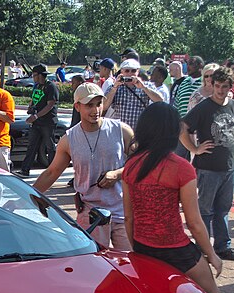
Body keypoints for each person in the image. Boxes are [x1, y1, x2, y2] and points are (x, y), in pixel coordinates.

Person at [122, 102, 222, 293]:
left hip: (143, 247)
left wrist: (138, 249)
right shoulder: (181, 167)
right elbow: (194, 222)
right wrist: (212, 254)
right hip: (176, 250)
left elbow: (128, 218)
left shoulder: (130, 166)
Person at [34, 83, 134, 250]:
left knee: (129, 264)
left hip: (122, 212)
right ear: (77, 106)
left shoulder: (121, 130)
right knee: (95, 264)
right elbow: (52, 172)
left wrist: (117, 174)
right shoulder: (69, 139)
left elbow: (139, 163)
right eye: (89, 105)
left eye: (98, 104)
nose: (95, 110)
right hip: (90, 213)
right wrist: (27, 197)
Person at [180, 67, 234, 261]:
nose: (220, 90)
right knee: (205, 209)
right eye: (217, 86)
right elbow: (183, 128)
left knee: (223, 208)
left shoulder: (232, 105)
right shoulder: (204, 107)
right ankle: (203, 246)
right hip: (208, 167)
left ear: (230, 87)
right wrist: (195, 149)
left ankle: (223, 246)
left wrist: (227, 142)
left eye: (225, 87)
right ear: (211, 85)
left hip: (228, 165)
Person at [17, 64, 59, 177]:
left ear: (41, 75)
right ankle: (25, 170)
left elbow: (50, 105)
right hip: (36, 122)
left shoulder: (51, 86)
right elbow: (33, 100)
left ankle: (53, 172)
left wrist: (36, 116)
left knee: (50, 146)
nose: (33, 77)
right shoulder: (36, 86)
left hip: (48, 121)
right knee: (32, 145)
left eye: (35, 75)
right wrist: (30, 108)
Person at [103, 58, 164, 129]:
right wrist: (114, 87)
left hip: (139, 130)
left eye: (133, 71)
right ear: (121, 71)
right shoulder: (114, 87)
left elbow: (160, 100)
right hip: (120, 130)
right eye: (127, 71)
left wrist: (144, 87)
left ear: (138, 72)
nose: (130, 74)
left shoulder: (147, 85)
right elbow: (104, 106)